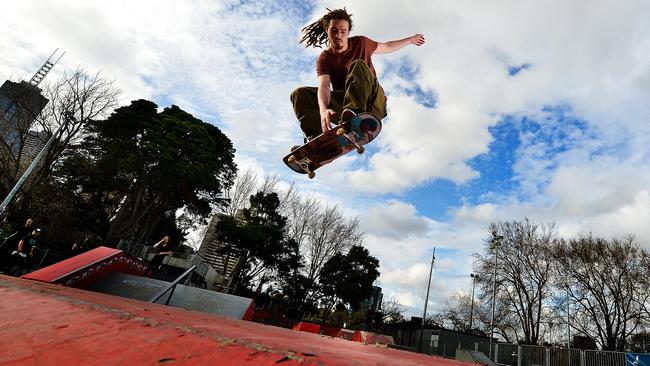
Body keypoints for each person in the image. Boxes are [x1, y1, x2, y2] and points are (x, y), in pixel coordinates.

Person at [290, 8, 425, 146]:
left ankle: (355, 115)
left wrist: (411, 40)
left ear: (348, 32)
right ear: (327, 30)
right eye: (334, 31)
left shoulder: (361, 43)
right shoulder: (325, 58)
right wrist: (323, 109)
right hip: (344, 105)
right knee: (299, 94)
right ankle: (318, 142)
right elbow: (324, 86)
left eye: (343, 31)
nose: (338, 35)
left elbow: (387, 46)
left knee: (358, 65)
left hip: (373, 101)